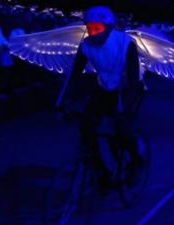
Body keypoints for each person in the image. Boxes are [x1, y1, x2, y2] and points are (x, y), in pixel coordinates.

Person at [58, 6, 145, 191]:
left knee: (121, 128)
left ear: (109, 27)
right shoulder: (86, 45)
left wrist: (125, 110)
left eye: (97, 28)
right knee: (86, 128)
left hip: (129, 87)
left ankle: (137, 159)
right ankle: (102, 173)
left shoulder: (125, 43)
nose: (93, 33)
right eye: (89, 28)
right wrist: (63, 100)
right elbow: (74, 73)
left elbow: (133, 77)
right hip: (104, 86)